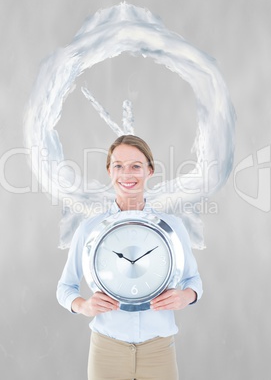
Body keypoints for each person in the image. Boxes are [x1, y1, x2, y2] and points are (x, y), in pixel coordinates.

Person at [57, 135, 203, 380]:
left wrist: (186, 297)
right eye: (118, 166)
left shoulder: (172, 227)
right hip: (107, 350)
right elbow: (65, 287)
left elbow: (194, 280)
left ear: (150, 170)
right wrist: (83, 305)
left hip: (159, 349)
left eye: (136, 166)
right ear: (109, 171)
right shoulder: (89, 229)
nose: (127, 174)